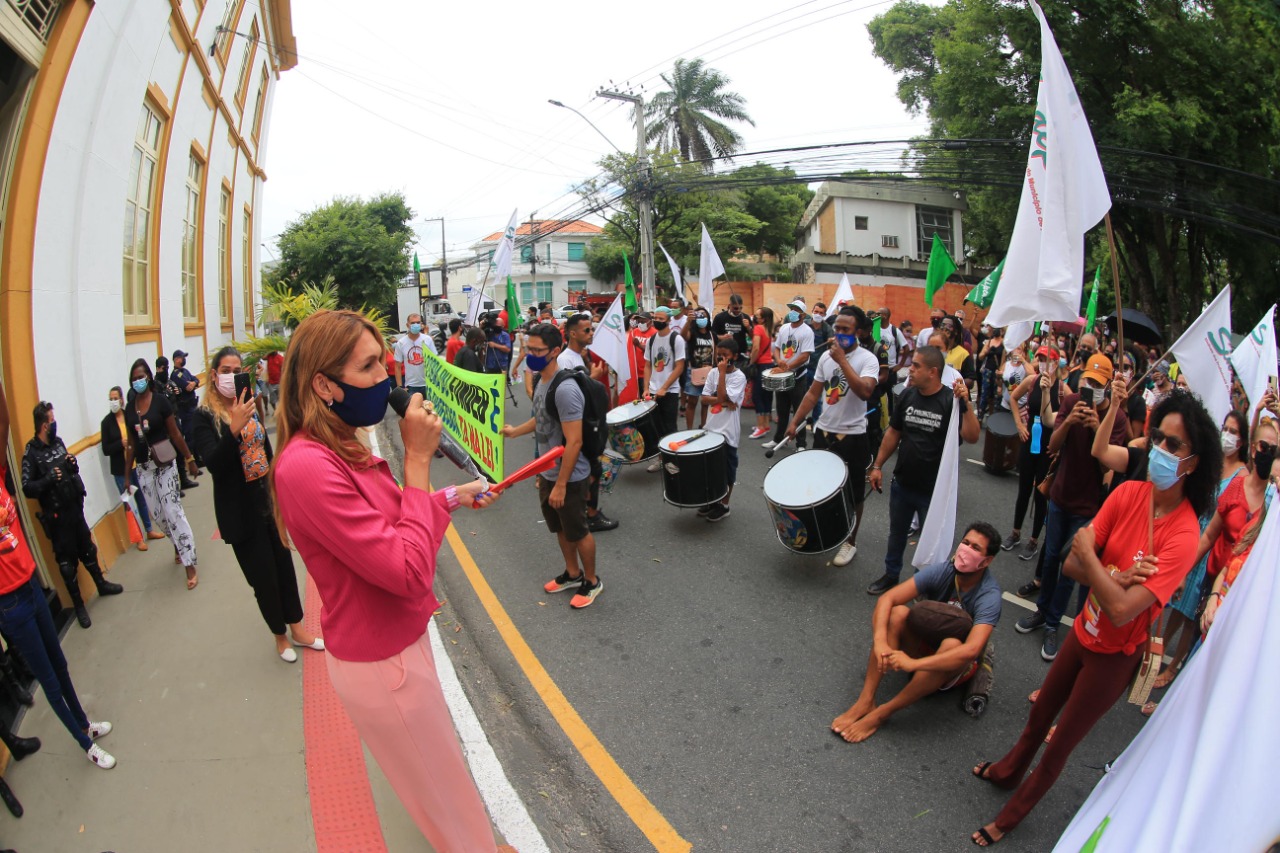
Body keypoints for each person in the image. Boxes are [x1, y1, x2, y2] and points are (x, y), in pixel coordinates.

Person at [272, 309, 500, 850]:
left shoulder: (340, 444)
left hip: (399, 646)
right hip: (383, 663)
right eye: (369, 366)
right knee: (444, 795)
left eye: (384, 361)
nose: (386, 377)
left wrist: (448, 496)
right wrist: (418, 461)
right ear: (324, 385)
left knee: (442, 787)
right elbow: (406, 568)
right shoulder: (307, 465)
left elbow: (389, 525)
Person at [971, 391, 1218, 848]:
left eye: (1175, 445)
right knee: (1039, 716)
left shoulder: (1184, 534)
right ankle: (1006, 773)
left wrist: (1099, 565)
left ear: (1194, 461)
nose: (1161, 449)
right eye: (1158, 437)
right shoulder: (1128, 492)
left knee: (1059, 743)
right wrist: (1120, 576)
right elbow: (1068, 566)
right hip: (1082, 632)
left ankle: (1009, 817)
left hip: (1114, 658)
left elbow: (1123, 608)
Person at [0, 381, 117, 769]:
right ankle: (85, 744)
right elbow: (34, 485)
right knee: (49, 679)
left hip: (32, 585)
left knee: (61, 664)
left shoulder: (1, 479)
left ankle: (85, 723)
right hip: (9, 602)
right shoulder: (32, 455)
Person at [194, 347, 322, 663]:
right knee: (263, 577)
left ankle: (298, 628)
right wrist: (233, 429)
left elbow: (264, 449)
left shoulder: (248, 403)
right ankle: (280, 636)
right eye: (225, 370)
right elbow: (212, 463)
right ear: (213, 375)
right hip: (239, 511)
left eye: (237, 370)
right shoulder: (202, 418)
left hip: (266, 500)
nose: (231, 376)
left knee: (283, 565)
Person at [832, 523, 1003, 744]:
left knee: (952, 644)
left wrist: (913, 665)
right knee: (897, 614)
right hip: (926, 645)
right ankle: (866, 699)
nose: (966, 550)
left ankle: (882, 713)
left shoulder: (989, 595)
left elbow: (971, 650)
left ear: (987, 560)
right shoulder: (945, 570)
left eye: (976, 548)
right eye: (965, 542)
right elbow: (887, 599)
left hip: (953, 662)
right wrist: (881, 642)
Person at [1014, 354, 1129, 662]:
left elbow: (1108, 463)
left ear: (1107, 387)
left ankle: (1053, 624)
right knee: (1050, 559)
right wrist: (1072, 421)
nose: (1091, 388)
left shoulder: (1116, 418)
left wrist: (1095, 428)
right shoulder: (1072, 400)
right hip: (1061, 497)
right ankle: (1041, 612)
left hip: (1089, 507)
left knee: (1069, 567)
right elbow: (1053, 445)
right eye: (1088, 381)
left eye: (1098, 384)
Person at [501, 323, 603, 608]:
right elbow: (542, 418)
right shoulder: (542, 381)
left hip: (569, 477)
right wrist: (515, 431)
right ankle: (572, 574)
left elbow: (574, 442)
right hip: (548, 472)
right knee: (560, 527)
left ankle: (592, 581)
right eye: (527, 349)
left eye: (536, 350)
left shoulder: (566, 389)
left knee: (578, 530)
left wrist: (560, 484)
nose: (530, 354)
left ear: (555, 351)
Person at [866, 346, 980, 595]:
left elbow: (972, 436)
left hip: (933, 491)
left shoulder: (951, 400)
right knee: (896, 535)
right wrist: (877, 466)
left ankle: (921, 585)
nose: (911, 369)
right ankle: (891, 574)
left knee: (930, 544)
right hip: (903, 484)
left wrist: (967, 404)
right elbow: (893, 433)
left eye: (916, 366)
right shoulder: (907, 396)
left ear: (932, 372)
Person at [784, 307, 881, 567]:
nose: (838, 334)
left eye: (845, 330)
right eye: (836, 328)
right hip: (823, 433)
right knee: (821, 487)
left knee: (853, 493)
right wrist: (795, 421)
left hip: (853, 437)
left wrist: (843, 361)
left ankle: (850, 541)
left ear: (858, 332)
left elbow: (864, 392)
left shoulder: (867, 359)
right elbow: (813, 394)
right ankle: (826, 530)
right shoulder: (826, 358)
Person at [21, 401, 124, 628]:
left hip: (74, 508)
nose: (55, 423)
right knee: (67, 564)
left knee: (88, 548)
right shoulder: (32, 453)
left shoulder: (57, 443)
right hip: (57, 518)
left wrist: (72, 464)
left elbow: (69, 468)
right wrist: (49, 479)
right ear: (43, 425)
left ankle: (101, 584)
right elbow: (27, 487)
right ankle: (79, 606)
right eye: (52, 420)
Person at [122, 358, 201, 590]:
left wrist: (189, 459)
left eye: (142, 376)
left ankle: (189, 563)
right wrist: (127, 476)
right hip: (145, 469)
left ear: (148, 376)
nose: (139, 381)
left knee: (173, 511)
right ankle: (176, 543)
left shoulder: (160, 401)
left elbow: (175, 434)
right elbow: (129, 446)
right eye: (134, 378)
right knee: (158, 514)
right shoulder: (129, 408)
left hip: (166, 465)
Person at [1004, 345, 1062, 564]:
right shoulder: (1032, 381)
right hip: (1029, 443)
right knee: (1023, 490)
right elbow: (1013, 398)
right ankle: (1015, 532)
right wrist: (1019, 424)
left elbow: (1063, 421)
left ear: (1056, 364)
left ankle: (1034, 540)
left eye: (1048, 360)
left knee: (1040, 495)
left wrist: (1059, 445)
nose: (1043, 363)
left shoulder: (1062, 389)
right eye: (1040, 359)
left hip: (1048, 447)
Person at [100, 387, 164, 552]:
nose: (113, 401)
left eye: (115, 398)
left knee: (142, 498)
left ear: (121, 399)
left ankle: (149, 530)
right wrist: (119, 444)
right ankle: (138, 539)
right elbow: (106, 449)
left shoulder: (129, 415)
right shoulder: (106, 423)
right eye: (110, 398)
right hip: (121, 471)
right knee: (129, 504)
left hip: (136, 465)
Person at [698, 339, 747, 521]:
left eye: (725, 356)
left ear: (734, 356)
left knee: (727, 470)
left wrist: (721, 377)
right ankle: (713, 500)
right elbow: (704, 399)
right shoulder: (713, 373)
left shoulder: (739, 377)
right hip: (711, 428)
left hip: (728, 432)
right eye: (719, 355)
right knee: (710, 468)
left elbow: (720, 395)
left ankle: (724, 504)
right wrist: (723, 401)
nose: (721, 359)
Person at [763, 299, 815, 452]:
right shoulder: (784, 328)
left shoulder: (807, 331)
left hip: (798, 376)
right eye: (792, 308)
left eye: (796, 309)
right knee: (781, 409)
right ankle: (779, 439)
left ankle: (801, 444)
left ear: (803, 314)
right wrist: (779, 362)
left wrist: (787, 367)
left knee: (799, 410)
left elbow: (805, 356)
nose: (793, 311)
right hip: (783, 375)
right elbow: (777, 348)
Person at [642, 306, 687, 472]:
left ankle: (674, 461)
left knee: (670, 427)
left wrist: (664, 387)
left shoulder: (676, 339)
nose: (658, 321)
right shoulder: (651, 340)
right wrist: (646, 388)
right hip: (654, 390)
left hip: (670, 391)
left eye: (661, 319)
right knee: (656, 427)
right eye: (656, 318)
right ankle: (661, 459)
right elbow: (647, 365)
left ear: (668, 320)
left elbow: (679, 366)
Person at [681, 306, 715, 430]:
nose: (702, 318)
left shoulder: (712, 334)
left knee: (706, 402)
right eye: (699, 315)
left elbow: (715, 354)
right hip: (694, 371)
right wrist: (688, 322)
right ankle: (689, 429)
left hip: (709, 372)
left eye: (704, 315)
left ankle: (704, 426)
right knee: (692, 402)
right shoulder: (692, 332)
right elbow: (683, 335)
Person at [169, 349, 202, 478]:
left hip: (192, 406)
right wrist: (193, 384)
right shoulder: (176, 375)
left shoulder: (185, 371)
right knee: (189, 436)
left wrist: (194, 383)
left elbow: (195, 380)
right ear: (176, 359)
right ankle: (192, 462)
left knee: (195, 434)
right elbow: (187, 387)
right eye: (182, 357)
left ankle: (198, 459)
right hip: (186, 410)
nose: (184, 359)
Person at [748, 306, 776, 440]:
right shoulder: (769, 329)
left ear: (763, 319)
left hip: (761, 365)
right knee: (766, 396)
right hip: (769, 364)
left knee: (757, 396)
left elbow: (756, 348)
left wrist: (751, 362)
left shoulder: (758, 328)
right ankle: (765, 424)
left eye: (757, 316)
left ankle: (760, 427)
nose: (754, 318)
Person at [394, 313, 433, 397]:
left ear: (421, 324)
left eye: (418, 322)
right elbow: (397, 366)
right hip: (411, 386)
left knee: (430, 409)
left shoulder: (428, 340)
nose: (416, 325)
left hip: (429, 384)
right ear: (407, 325)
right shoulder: (401, 343)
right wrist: (400, 387)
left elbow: (435, 362)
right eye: (412, 323)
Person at [712, 293, 751, 365]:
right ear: (729, 306)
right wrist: (722, 337)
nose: (738, 310)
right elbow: (711, 336)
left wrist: (748, 327)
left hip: (740, 355)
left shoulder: (745, 317)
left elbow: (753, 336)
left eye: (740, 308)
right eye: (735, 308)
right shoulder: (719, 317)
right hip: (724, 356)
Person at [977, 328, 1005, 418]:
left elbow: (1004, 360)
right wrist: (986, 351)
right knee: (984, 394)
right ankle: (980, 417)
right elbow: (980, 357)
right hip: (987, 371)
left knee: (996, 396)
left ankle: (993, 418)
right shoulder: (989, 342)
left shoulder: (1004, 343)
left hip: (997, 372)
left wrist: (1000, 371)